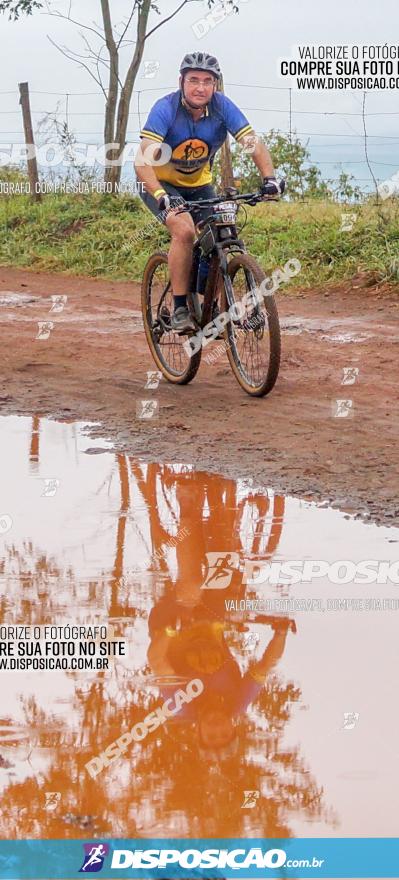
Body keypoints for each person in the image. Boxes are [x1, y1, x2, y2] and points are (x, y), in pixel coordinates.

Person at [135, 52, 280, 334]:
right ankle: (179, 307)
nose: (200, 87)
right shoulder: (165, 109)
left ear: (215, 85)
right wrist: (160, 195)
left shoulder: (222, 106)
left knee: (220, 233)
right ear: (181, 82)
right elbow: (143, 162)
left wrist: (270, 179)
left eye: (207, 81)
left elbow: (252, 142)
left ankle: (208, 304)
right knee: (185, 230)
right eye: (193, 81)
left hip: (200, 185)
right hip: (160, 184)